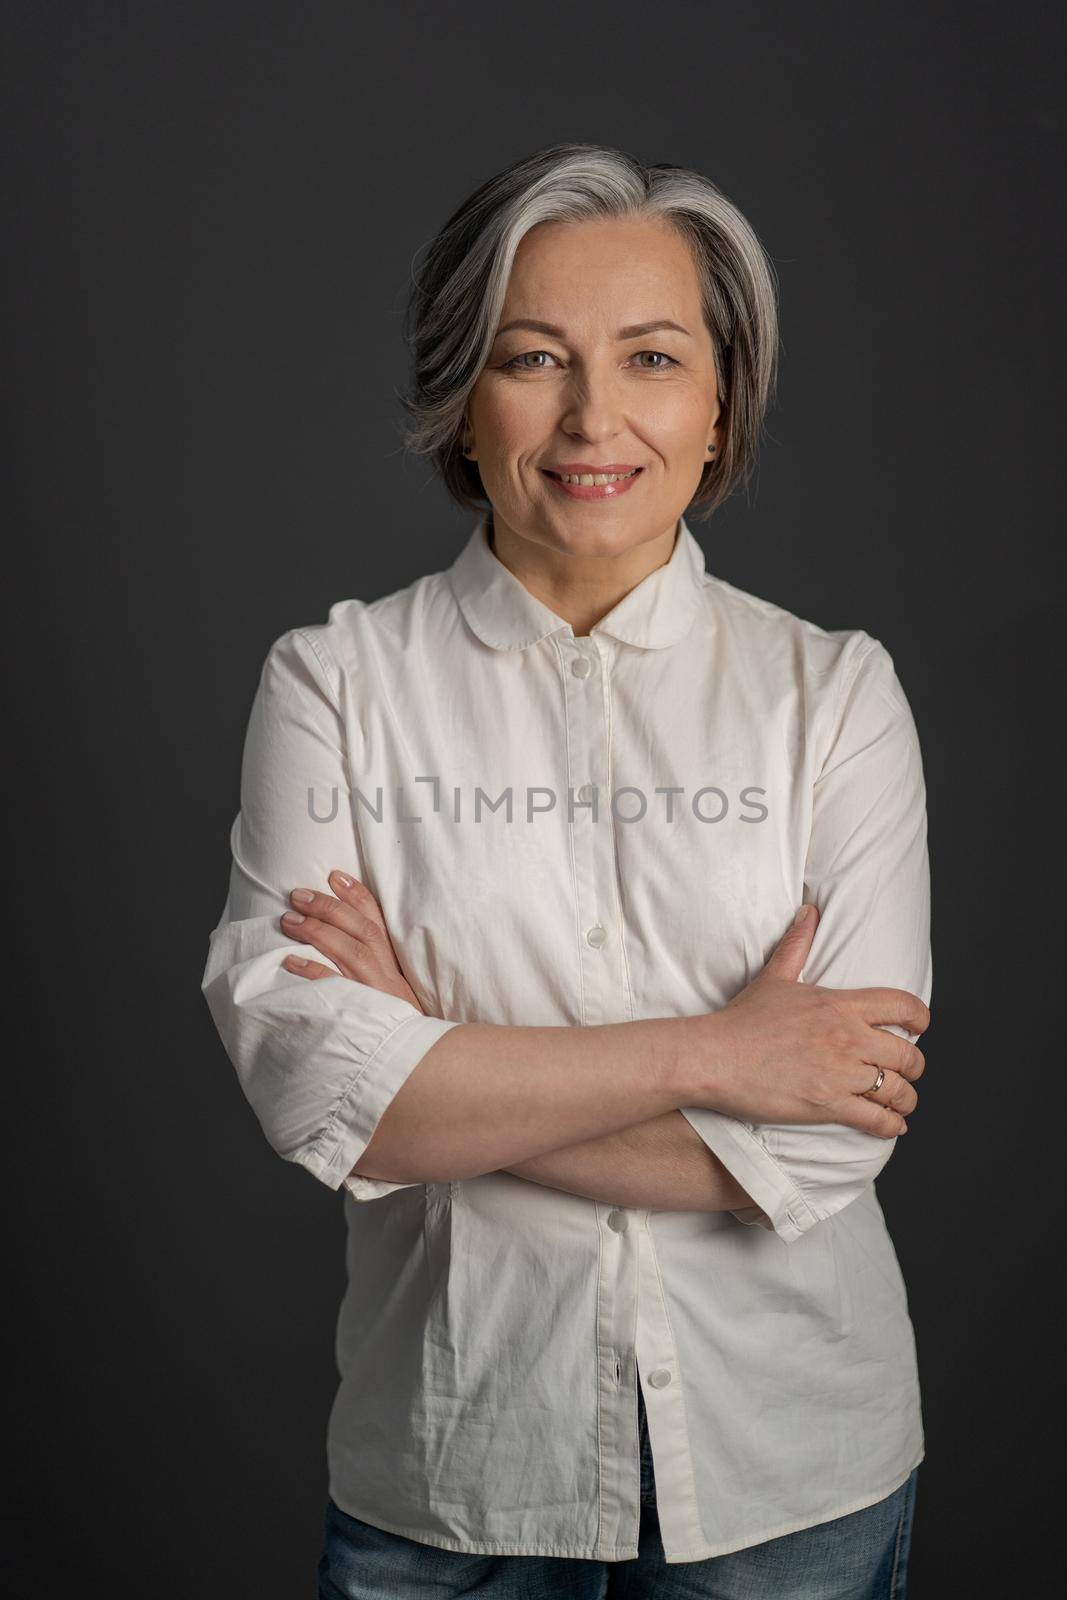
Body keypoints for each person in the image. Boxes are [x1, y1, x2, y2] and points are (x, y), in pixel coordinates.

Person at [201, 141, 931, 1598]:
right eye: (534, 359)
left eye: (652, 357)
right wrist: (719, 1054)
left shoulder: (834, 696)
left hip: (794, 1479)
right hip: (457, 1484)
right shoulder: (334, 684)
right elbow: (309, 1082)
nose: (596, 416)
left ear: (719, 407)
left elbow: (830, 1138)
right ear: (462, 405)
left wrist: (432, 1075)